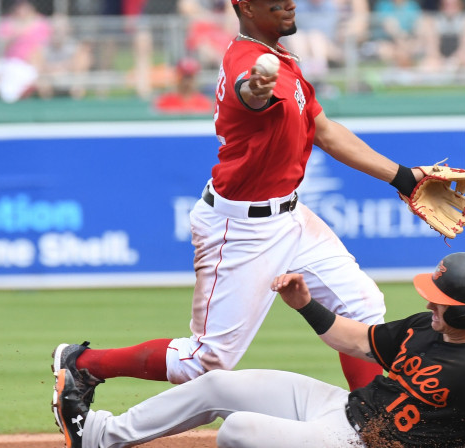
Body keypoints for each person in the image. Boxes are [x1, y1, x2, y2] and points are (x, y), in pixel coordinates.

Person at [51, 0, 439, 435]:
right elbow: (249, 93)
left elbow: (325, 132)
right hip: (242, 227)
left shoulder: (285, 61)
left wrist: (403, 177)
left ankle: (369, 430)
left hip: (291, 215)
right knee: (205, 361)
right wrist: (256, 85)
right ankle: (84, 365)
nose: (290, 3)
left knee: (362, 306)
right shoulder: (249, 62)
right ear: (246, 6)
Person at [52, 252, 465, 447]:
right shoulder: (426, 329)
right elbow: (358, 341)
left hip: (362, 444)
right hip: (343, 411)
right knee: (216, 384)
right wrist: (306, 304)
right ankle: (97, 435)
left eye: (442, 299)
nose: (430, 300)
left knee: (238, 431)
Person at [0, 0, 52, 102]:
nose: (22, 10)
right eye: (19, 7)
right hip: (10, 64)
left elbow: (44, 48)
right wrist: (15, 35)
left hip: (32, 64)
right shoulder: (6, 23)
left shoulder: (41, 23)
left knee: (44, 84)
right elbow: (0, 47)